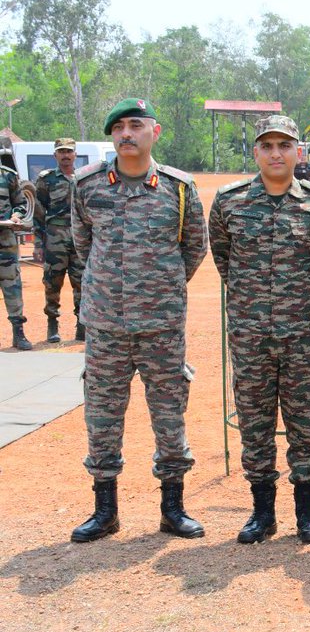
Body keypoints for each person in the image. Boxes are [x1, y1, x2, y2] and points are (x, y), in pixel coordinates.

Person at [69, 98, 209, 542]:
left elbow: (194, 248)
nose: (126, 134)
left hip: (161, 326)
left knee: (169, 416)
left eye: (135, 125)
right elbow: (82, 244)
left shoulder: (179, 188)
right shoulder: (86, 185)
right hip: (105, 325)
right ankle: (104, 508)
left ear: (155, 131)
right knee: (102, 416)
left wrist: (159, 288)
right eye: (119, 128)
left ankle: (173, 507)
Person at [209, 115, 310, 544]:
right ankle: (262, 511)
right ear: (256, 152)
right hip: (250, 335)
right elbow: (223, 259)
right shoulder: (230, 202)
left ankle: (307, 510)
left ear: (298, 151)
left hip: (301, 336)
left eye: (285, 144)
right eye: (267, 145)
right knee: (254, 421)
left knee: (306, 419)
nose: (276, 152)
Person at [34, 138, 84, 343]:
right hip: (55, 238)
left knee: (82, 282)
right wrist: (38, 243)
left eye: (69, 151)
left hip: (80, 239)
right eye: (61, 152)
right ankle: (52, 324)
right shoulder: (46, 180)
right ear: (55, 155)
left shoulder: (83, 178)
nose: (65, 155)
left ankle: (82, 325)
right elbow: (39, 212)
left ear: (75, 155)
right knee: (52, 282)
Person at [1, 164, 32, 350]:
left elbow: (20, 204)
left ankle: (18, 332)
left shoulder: (7, 176)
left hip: (5, 242)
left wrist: (16, 216)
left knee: (12, 287)